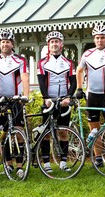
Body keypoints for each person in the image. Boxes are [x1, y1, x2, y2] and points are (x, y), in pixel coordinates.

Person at [75, 25, 105, 172]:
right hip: (91, 96)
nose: (99, 40)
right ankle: (98, 159)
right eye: (97, 37)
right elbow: (79, 70)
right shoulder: (87, 54)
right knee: (94, 129)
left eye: (102, 37)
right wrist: (79, 88)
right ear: (94, 39)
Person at [0, 30, 30, 178]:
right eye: (2, 42)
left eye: (8, 42)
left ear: (13, 44)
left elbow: (25, 78)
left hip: (15, 99)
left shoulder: (20, 60)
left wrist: (26, 95)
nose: (5, 44)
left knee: (18, 131)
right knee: (4, 133)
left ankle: (19, 165)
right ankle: (8, 164)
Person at [37, 31, 77, 172]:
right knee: (46, 133)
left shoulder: (69, 63)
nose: (55, 44)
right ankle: (47, 163)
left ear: (62, 44)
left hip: (63, 101)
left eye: (57, 41)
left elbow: (73, 82)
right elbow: (41, 82)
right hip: (48, 101)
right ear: (48, 45)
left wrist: (68, 97)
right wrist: (46, 98)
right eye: (52, 41)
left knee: (63, 133)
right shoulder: (42, 63)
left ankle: (63, 162)